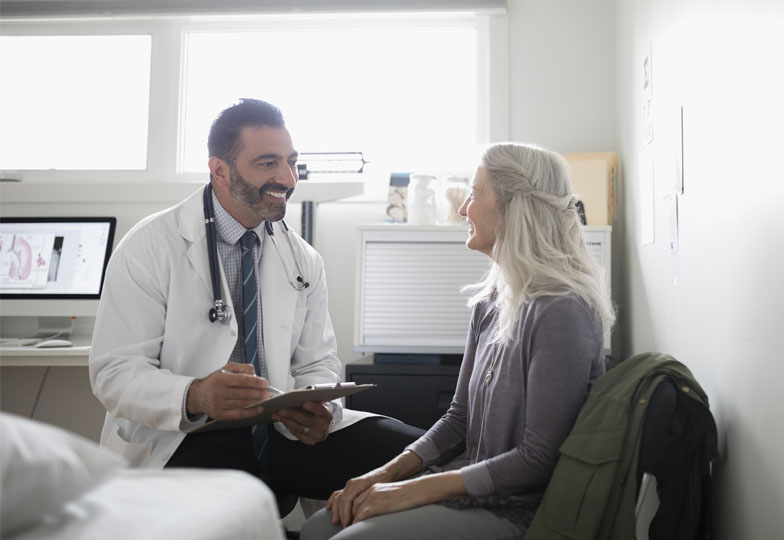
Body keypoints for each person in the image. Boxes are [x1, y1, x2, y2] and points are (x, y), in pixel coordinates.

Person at [88, 98, 422, 511]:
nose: (287, 176)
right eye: (267, 163)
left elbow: (318, 363)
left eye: (291, 161)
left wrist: (323, 409)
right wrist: (195, 395)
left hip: (281, 435)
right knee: (232, 512)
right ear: (220, 170)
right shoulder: (150, 246)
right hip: (187, 438)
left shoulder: (301, 258)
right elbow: (114, 373)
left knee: (419, 454)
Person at [301, 142, 616, 539]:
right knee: (317, 529)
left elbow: (537, 459)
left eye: (475, 193)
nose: (465, 208)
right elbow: (459, 419)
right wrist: (379, 477)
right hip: (468, 492)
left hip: (520, 509)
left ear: (512, 206)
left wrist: (410, 491)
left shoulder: (561, 311)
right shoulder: (490, 303)